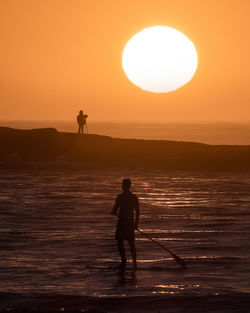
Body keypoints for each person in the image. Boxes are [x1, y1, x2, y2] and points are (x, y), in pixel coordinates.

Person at [111, 179, 140, 270]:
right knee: (131, 243)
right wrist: (136, 224)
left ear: (123, 186)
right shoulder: (134, 197)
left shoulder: (120, 197)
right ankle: (134, 263)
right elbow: (138, 212)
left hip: (122, 222)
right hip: (130, 222)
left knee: (120, 242)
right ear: (129, 186)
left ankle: (123, 261)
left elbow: (114, 211)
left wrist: (113, 213)